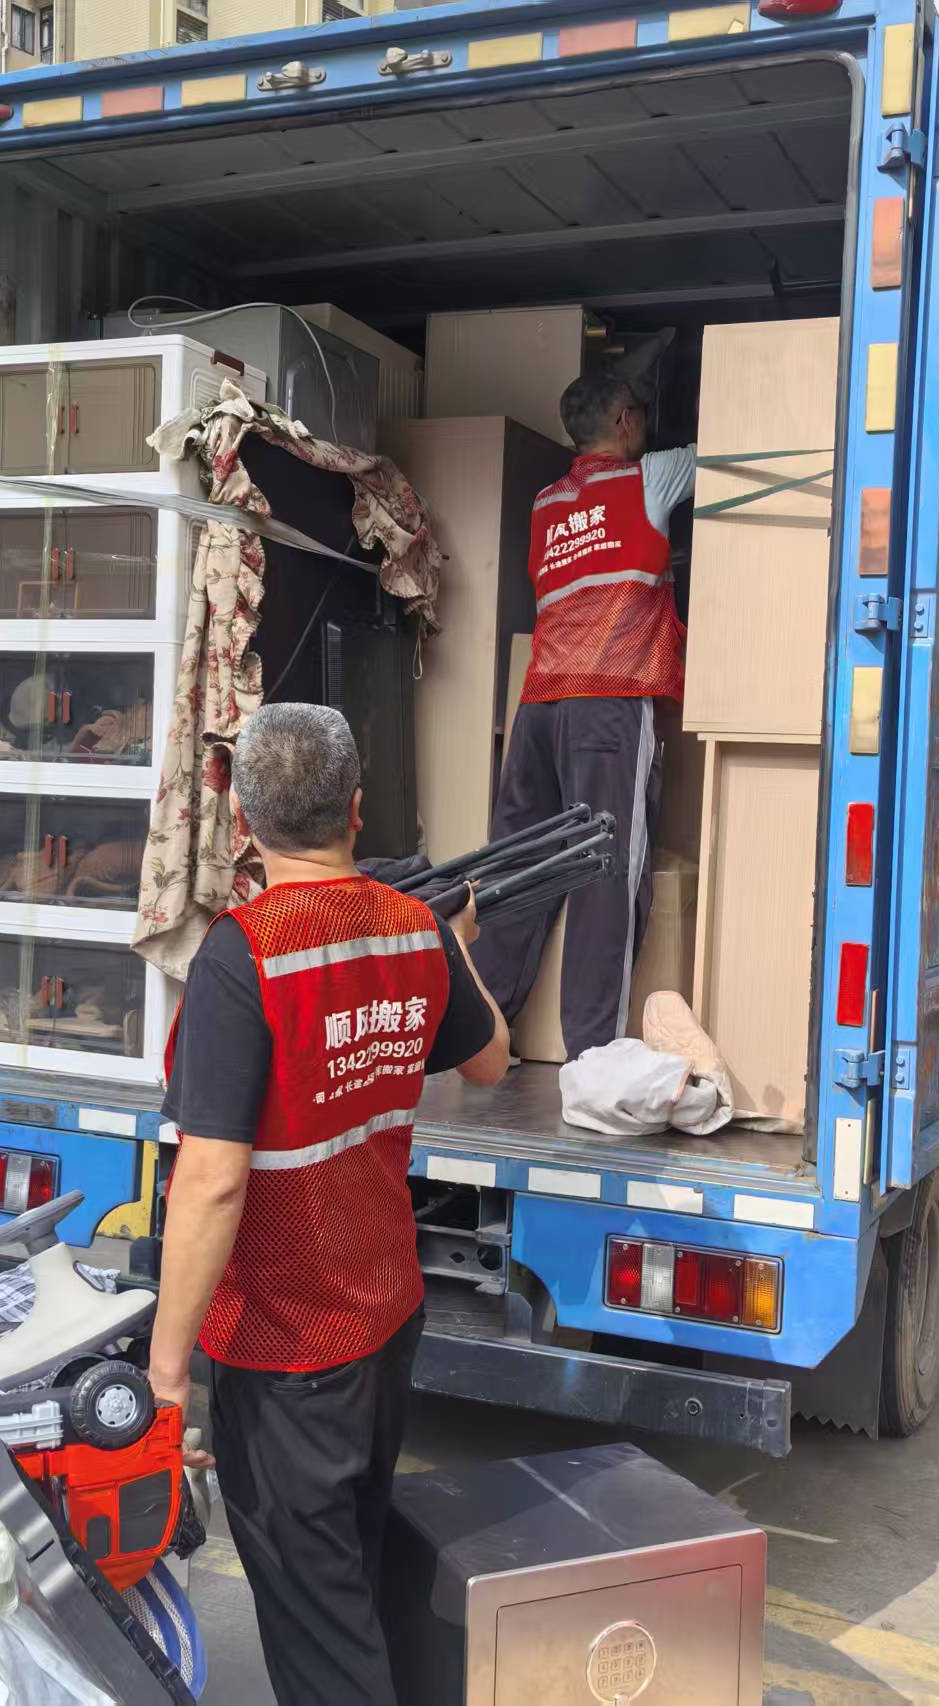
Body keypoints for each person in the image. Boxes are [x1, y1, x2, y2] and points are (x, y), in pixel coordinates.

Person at [148, 703, 510, 1706]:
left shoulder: (245, 953)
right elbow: (490, 1059)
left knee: (322, 1632)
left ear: (242, 824)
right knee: (351, 1573)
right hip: (384, 1314)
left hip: (285, 1342)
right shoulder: (415, 929)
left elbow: (213, 1177)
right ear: (356, 809)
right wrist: (456, 943)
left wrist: (167, 1376)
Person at [472, 372, 697, 1059]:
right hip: (608, 704)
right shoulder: (648, 478)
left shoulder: (546, 502)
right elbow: (730, 452)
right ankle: (593, 1054)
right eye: (641, 415)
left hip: (540, 705)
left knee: (519, 868)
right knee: (606, 875)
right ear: (626, 420)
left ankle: (479, 1035)